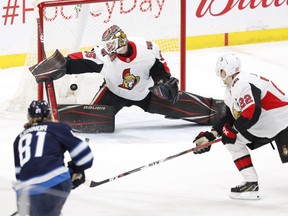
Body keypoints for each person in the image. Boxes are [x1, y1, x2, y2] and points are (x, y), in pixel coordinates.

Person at [30, 24, 225, 130]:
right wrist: (62, 64)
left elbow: (159, 68)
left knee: (191, 107)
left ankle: (224, 110)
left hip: (146, 92)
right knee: (87, 123)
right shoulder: (104, 56)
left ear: (120, 42)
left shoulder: (146, 49)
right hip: (113, 93)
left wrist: (163, 81)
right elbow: (81, 60)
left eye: (111, 46)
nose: (108, 51)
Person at [193, 53, 288, 200]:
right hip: (268, 125)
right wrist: (210, 135)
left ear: (228, 70)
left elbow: (251, 113)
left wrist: (233, 130)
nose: (220, 75)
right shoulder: (232, 88)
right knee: (233, 141)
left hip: (283, 123)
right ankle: (251, 184)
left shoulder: (242, 83)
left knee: (232, 137)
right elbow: (230, 116)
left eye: (221, 71)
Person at [13, 100, 94, 215]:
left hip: (28, 191)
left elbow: (19, 175)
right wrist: (75, 171)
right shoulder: (57, 128)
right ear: (49, 115)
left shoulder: (19, 139)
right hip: (56, 183)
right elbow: (85, 158)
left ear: (28, 116)